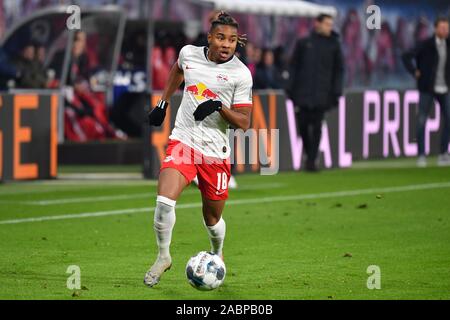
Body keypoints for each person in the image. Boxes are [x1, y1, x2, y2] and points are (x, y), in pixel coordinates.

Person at [144, 12, 253, 287]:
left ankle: (217, 253)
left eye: (231, 40)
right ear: (209, 38)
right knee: (164, 201)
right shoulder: (189, 54)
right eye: (220, 38)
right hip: (184, 140)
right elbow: (178, 70)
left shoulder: (240, 74)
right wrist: (163, 103)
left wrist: (219, 107)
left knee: (212, 218)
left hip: (216, 152)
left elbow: (244, 122)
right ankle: (163, 256)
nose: (226, 44)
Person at [287, 14, 344, 172]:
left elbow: (339, 70)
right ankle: (309, 154)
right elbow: (294, 66)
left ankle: (311, 160)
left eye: (330, 24)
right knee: (303, 126)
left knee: (317, 125)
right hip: (302, 93)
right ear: (317, 24)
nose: (329, 27)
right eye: (326, 24)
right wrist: (290, 87)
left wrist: (336, 91)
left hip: (322, 93)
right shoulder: (304, 42)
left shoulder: (334, 44)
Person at [402, 17, 450, 167]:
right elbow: (406, 56)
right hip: (427, 88)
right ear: (435, 29)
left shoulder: (448, 44)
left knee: (449, 119)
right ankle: (421, 155)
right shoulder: (425, 44)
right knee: (422, 120)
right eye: (442, 28)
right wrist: (414, 71)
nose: (445, 31)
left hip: (445, 87)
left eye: (446, 28)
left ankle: (443, 153)